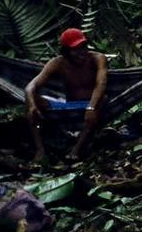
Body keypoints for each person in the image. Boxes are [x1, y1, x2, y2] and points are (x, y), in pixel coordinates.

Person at [24, 28, 109, 162]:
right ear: (66, 51)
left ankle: (76, 149)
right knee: (30, 99)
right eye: (76, 49)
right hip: (68, 106)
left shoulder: (97, 59)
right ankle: (40, 149)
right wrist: (32, 106)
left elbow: (101, 84)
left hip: (91, 105)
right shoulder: (58, 63)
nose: (82, 52)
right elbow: (30, 87)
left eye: (83, 47)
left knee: (103, 99)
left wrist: (91, 108)